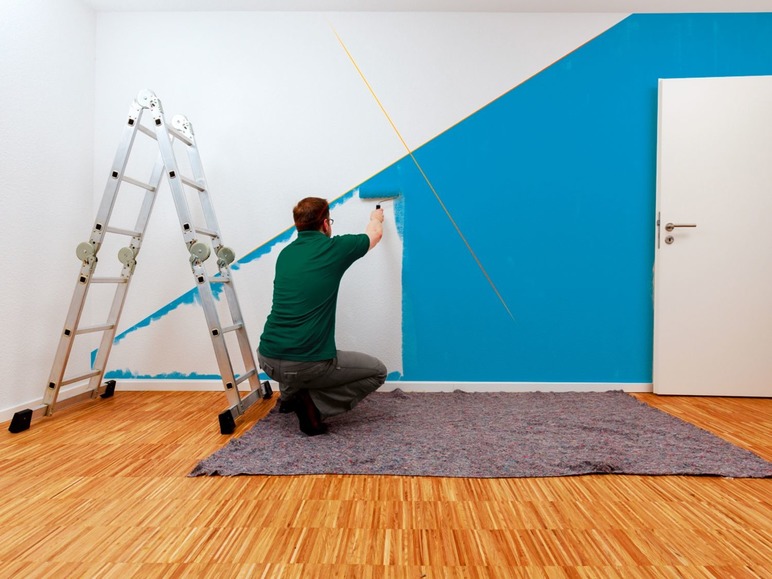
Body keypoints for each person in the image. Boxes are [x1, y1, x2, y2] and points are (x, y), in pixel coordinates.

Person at [257, 197, 387, 435]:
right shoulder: (334, 248)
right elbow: (375, 234)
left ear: (298, 225)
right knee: (378, 371)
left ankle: (289, 397)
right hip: (305, 365)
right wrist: (375, 217)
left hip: (267, 359)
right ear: (326, 224)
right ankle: (313, 407)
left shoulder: (285, 254)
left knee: (293, 341)